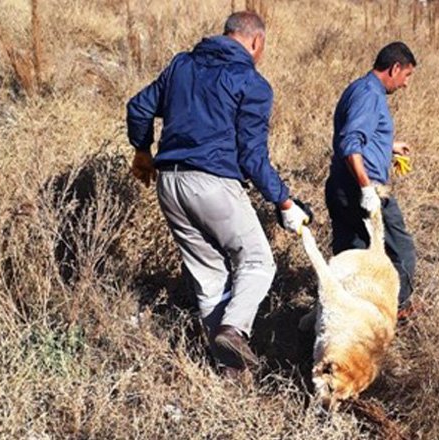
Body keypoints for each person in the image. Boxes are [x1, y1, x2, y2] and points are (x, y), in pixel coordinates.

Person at [126, 11, 310, 375]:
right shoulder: (251, 82)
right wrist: (285, 202)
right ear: (256, 42)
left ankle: (230, 373)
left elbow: (139, 107)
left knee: (210, 278)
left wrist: (143, 151)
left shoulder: (182, 65)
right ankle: (234, 330)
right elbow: (252, 157)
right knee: (258, 262)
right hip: (214, 184)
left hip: (169, 182)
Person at [325, 42, 418, 318]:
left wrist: (388, 145)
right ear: (395, 68)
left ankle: (345, 313)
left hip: (341, 186)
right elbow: (351, 144)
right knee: (401, 250)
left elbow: (359, 134)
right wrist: (368, 188)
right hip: (362, 190)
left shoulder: (359, 89)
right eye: (407, 76)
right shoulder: (370, 95)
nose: (405, 84)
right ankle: (394, 308)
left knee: (351, 258)